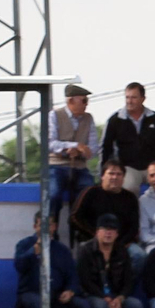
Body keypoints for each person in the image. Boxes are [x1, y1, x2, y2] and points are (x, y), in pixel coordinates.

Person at [14, 212, 89, 308]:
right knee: (36, 303)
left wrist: (70, 290)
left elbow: (73, 275)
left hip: (55, 297)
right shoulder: (24, 244)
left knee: (84, 307)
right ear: (35, 226)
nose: (46, 229)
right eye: (42, 225)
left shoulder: (62, 250)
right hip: (30, 294)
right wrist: (33, 252)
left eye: (50, 225)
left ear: (54, 227)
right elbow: (19, 266)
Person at [74, 213, 145, 308]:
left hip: (117, 296)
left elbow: (128, 281)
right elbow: (85, 281)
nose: (108, 233)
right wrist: (105, 298)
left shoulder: (122, 252)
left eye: (112, 230)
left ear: (117, 234)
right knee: (100, 307)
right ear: (96, 232)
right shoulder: (85, 250)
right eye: (104, 229)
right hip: (93, 294)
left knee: (136, 306)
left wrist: (119, 299)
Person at [99, 82, 155, 195]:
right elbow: (105, 149)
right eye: (127, 97)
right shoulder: (115, 120)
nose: (129, 101)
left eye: (133, 97)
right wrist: (103, 175)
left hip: (153, 167)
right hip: (128, 168)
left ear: (143, 98)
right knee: (128, 188)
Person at [70, 159, 143, 261]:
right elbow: (74, 217)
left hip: (122, 244)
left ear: (123, 178)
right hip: (92, 241)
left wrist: (120, 244)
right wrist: (96, 236)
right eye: (111, 173)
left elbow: (134, 226)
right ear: (102, 176)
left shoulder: (130, 198)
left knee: (139, 256)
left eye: (119, 174)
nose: (114, 177)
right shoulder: (90, 193)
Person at [47, 83, 98, 223]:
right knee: (54, 195)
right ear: (71, 101)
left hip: (80, 166)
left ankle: (81, 230)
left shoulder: (89, 119)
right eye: (84, 100)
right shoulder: (54, 115)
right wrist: (75, 146)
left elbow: (93, 148)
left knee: (89, 193)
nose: (86, 104)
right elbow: (50, 143)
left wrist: (80, 152)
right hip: (56, 165)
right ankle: (51, 229)